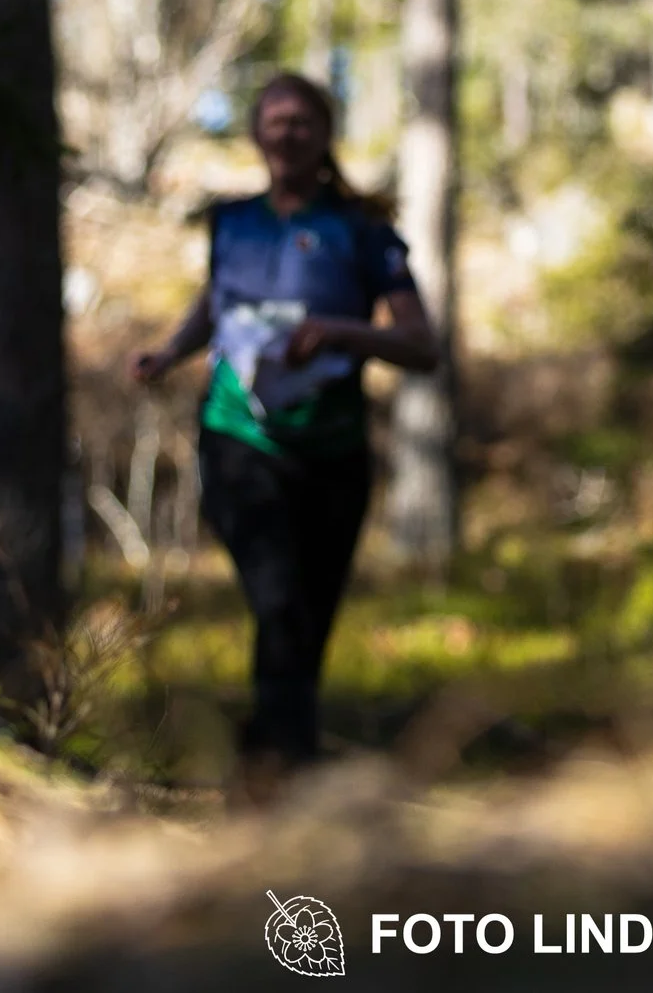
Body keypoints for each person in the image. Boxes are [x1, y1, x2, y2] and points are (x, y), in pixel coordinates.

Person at [134, 73, 438, 781]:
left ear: (325, 134)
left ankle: (275, 754)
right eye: (275, 119)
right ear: (256, 133)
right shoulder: (232, 221)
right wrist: (171, 351)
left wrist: (339, 332)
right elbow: (218, 298)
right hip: (238, 436)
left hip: (332, 450)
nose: (288, 132)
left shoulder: (362, 232)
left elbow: (421, 345)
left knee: (310, 615)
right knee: (277, 598)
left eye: (303, 120)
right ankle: (281, 764)